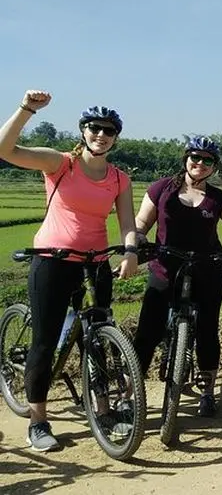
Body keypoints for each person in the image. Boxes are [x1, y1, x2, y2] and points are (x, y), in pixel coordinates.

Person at [0, 90, 138, 451]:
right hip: (52, 260)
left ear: (115, 137)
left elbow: (127, 224)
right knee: (44, 342)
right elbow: (5, 149)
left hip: (95, 264)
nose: (101, 134)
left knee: (99, 338)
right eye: (94, 128)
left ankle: (104, 410)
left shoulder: (120, 179)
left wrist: (130, 252)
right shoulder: (60, 163)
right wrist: (27, 109)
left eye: (108, 130)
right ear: (83, 131)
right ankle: (38, 421)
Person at [133, 136, 222, 416]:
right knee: (148, 330)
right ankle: (130, 393)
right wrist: (137, 238)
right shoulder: (162, 188)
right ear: (185, 159)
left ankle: (207, 392)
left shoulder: (216, 196)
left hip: (208, 267)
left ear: (213, 167)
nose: (199, 163)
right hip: (165, 265)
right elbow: (142, 222)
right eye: (195, 158)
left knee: (208, 330)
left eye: (207, 160)